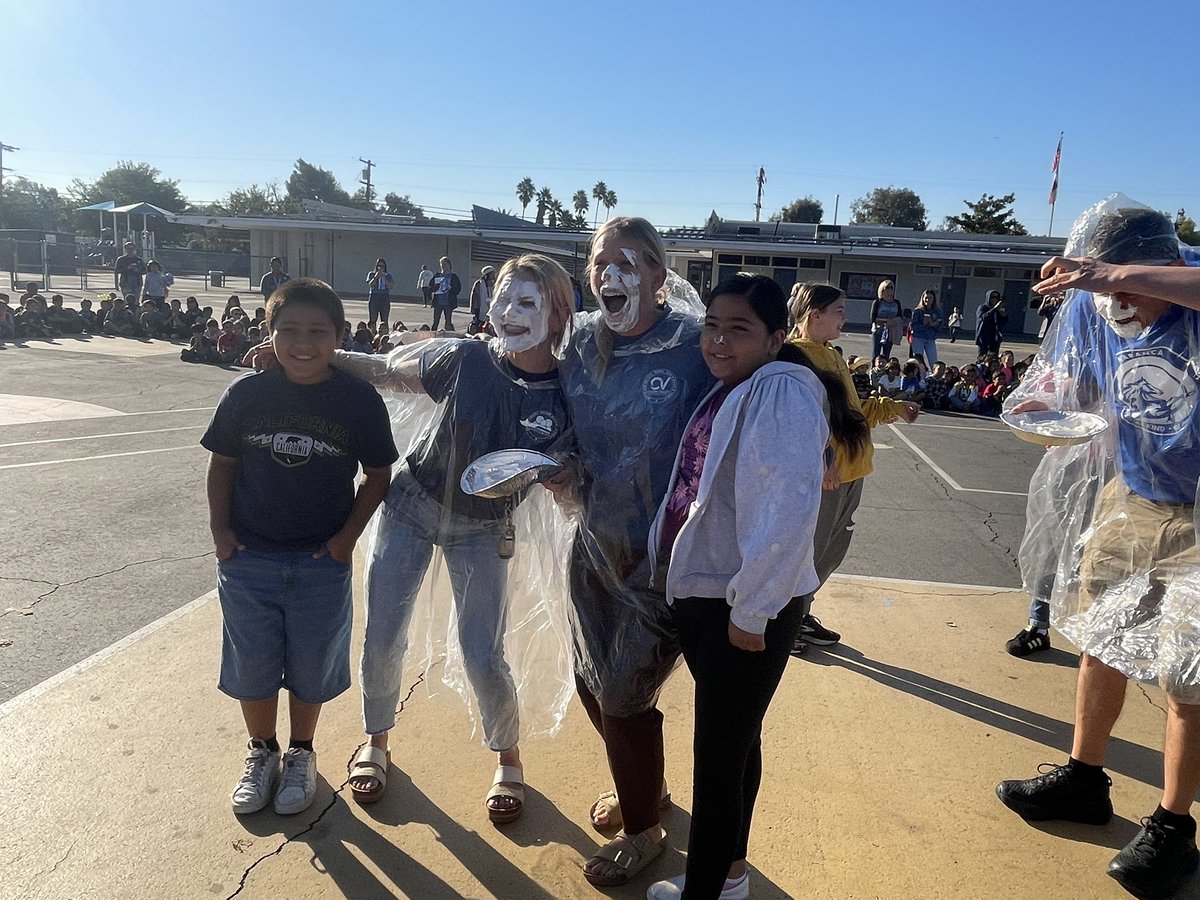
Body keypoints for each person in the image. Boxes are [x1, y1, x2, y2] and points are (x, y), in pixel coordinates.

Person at [324, 254, 575, 823]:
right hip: (412, 505)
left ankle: (508, 755)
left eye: (528, 302)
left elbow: (574, 482)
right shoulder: (466, 358)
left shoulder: (568, 393)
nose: (509, 312)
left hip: (486, 529)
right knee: (384, 635)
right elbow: (388, 372)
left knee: (482, 652)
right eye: (503, 298)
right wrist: (319, 354)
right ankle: (377, 741)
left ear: (560, 316)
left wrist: (565, 482)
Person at [996, 202, 1200, 898]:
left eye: (1122, 287)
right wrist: (1041, 402)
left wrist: (1111, 273)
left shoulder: (1189, 284)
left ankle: (1175, 828)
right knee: (1099, 640)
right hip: (1135, 493)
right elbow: (1081, 380)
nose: (1113, 303)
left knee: (1188, 678)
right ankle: (1085, 778)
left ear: (1162, 266)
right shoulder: (1092, 303)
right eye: (1101, 291)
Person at [644, 274, 867, 900]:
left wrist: (753, 612)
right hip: (724, 597)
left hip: (739, 606)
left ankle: (706, 891)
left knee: (717, 760)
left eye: (737, 329)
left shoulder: (778, 392)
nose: (718, 340)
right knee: (738, 744)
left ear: (774, 338)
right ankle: (731, 876)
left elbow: (787, 509)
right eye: (712, 326)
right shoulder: (748, 385)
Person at [546, 217, 714, 887]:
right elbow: (545, 407)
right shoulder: (581, 342)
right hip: (592, 546)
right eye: (598, 262)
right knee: (595, 683)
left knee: (622, 693)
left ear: (656, 273)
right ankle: (648, 788)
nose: (609, 274)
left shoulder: (696, 346)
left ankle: (645, 831)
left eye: (628, 261)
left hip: (663, 560)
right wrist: (555, 460)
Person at [202, 277, 398, 817]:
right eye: (288, 330)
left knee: (311, 666)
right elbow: (222, 464)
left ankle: (301, 753)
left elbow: (378, 474)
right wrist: (221, 534)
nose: (303, 343)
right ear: (269, 334)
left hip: (319, 564)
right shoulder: (246, 393)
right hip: (249, 561)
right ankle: (261, 752)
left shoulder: (357, 400)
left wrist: (343, 541)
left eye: (318, 331)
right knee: (254, 665)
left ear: (339, 336)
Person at [787, 282, 918, 654]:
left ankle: (801, 611)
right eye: (839, 311)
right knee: (808, 552)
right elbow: (802, 422)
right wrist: (822, 463)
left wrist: (893, 407)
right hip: (827, 477)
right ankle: (785, 620)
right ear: (815, 315)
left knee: (831, 548)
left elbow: (852, 411)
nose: (845, 317)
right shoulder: (797, 358)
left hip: (850, 471)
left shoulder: (829, 354)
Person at [869, 280, 903, 361]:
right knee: (876, 353)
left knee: (886, 354)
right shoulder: (877, 302)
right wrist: (886, 320)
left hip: (890, 331)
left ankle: (885, 371)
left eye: (891, 287)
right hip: (878, 330)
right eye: (887, 287)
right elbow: (873, 318)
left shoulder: (896, 302)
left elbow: (899, 316)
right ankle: (874, 370)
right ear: (882, 289)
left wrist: (892, 322)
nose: (889, 289)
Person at [909, 289, 942, 365]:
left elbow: (940, 326)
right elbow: (914, 326)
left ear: (933, 299)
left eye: (930, 298)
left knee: (933, 361)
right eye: (926, 298)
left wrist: (934, 324)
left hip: (930, 339)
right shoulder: (918, 311)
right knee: (918, 361)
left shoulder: (937, 311)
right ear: (922, 298)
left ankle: (934, 375)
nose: (928, 300)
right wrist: (925, 324)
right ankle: (919, 375)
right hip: (918, 338)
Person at [430, 257, 461, 331]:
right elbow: (430, 287)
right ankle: (432, 335)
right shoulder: (437, 275)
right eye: (442, 264)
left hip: (448, 302)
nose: (444, 266)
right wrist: (435, 288)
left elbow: (458, 289)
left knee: (448, 322)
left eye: (445, 264)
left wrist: (451, 290)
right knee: (435, 321)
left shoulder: (453, 277)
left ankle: (449, 335)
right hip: (438, 302)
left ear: (449, 265)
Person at [365, 258, 396, 333]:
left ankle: (384, 334)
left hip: (384, 297)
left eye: (382, 266)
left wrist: (384, 277)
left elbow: (390, 286)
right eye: (379, 266)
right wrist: (376, 276)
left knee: (384, 319)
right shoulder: (371, 274)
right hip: (374, 296)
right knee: (372, 318)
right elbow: (371, 284)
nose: (380, 268)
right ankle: (372, 334)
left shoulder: (388, 275)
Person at [974, 290, 1007, 356]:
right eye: (992, 297)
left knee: (993, 358)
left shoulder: (998, 310)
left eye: (996, 297)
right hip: (984, 337)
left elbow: (1004, 322)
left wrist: (1003, 314)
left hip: (995, 337)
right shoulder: (982, 307)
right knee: (982, 357)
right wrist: (994, 308)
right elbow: (983, 318)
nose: (994, 299)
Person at [469, 265, 497, 330]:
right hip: (479, 307)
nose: (493, 275)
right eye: (492, 274)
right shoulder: (479, 283)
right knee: (479, 323)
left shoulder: (494, 284)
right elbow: (474, 296)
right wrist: (473, 307)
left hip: (491, 306)